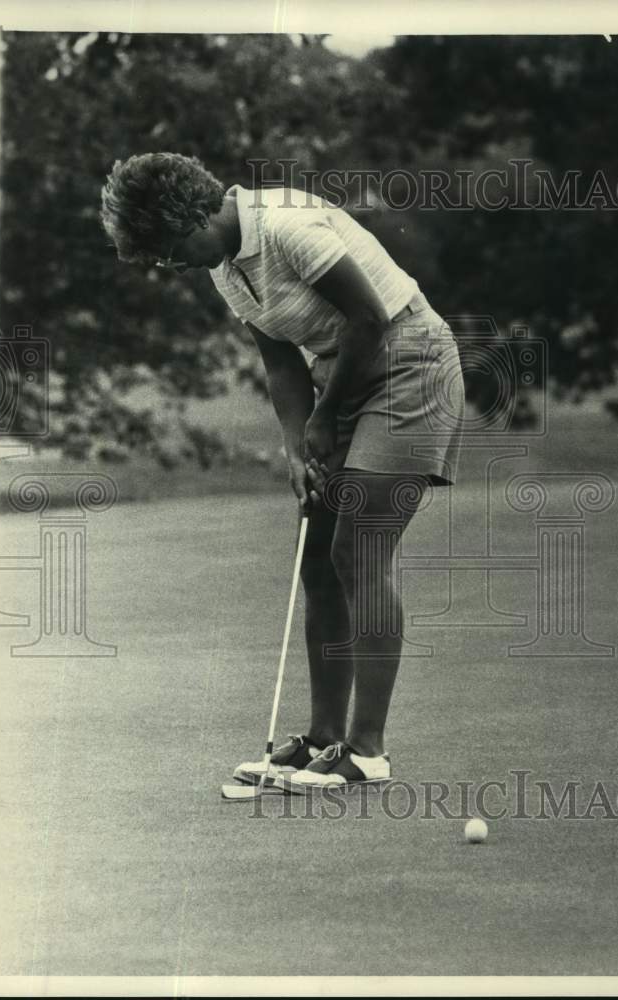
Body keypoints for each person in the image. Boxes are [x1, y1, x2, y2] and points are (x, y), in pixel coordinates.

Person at [100, 152, 464, 792]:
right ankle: (323, 741)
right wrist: (298, 448)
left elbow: (371, 318)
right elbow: (281, 365)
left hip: (411, 365)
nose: (168, 264)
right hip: (341, 377)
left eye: (165, 248)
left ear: (190, 214)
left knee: (360, 550)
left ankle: (367, 752)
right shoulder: (225, 269)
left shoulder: (286, 225)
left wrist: (326, 420)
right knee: (318, 557)